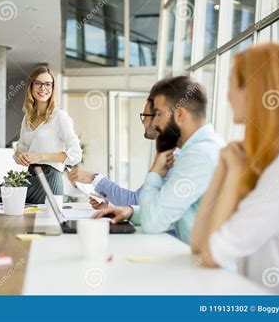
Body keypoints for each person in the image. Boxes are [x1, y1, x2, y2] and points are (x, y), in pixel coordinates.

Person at [191, 43, 279, 294]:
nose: (227, 97)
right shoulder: (266, 161)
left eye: (232, 85)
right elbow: (198, 245)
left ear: (254, 91)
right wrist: (225, 170)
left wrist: (233, 173)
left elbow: (213, 253)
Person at [94, 76, 225, 243]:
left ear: (179, 115)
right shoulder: (200, 149)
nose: (154, 122)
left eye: (158, 114)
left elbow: (152, 222)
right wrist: (132, 211)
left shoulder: (199, 156)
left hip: (203, 264)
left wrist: (155, 173)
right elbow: (170, 209)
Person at [0, 66, 82, 204]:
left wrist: (40, 156)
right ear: (31, 86)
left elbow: (76, 154)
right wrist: (19, 155)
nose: (43, 88)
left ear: (52, 88)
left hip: (49, 180)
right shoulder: (28, 118)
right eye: (38, 83)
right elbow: (20, 149)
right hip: (30, 175)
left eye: (47, 84)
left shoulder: (59, 116)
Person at [68, 91, 175, 209]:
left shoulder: (174, 157)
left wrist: (94, 178)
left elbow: (138, 201)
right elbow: (141, 203)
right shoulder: (166, 153)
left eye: (145, 116)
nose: (143, 122)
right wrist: (108, 208)